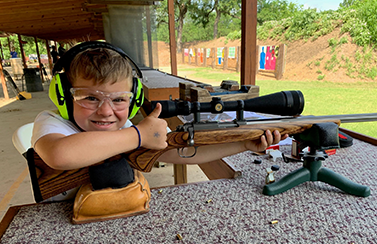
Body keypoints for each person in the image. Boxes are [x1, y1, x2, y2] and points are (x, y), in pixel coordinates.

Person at [32, 42, 286, 193]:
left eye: (119, 99)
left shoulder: (126, 129)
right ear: (63, 96)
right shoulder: (52, 123)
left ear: (133, 101)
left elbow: (182, 153)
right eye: (90, 98)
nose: (106, 111)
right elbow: (59, 155)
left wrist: (242, 144)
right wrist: (139, 134)